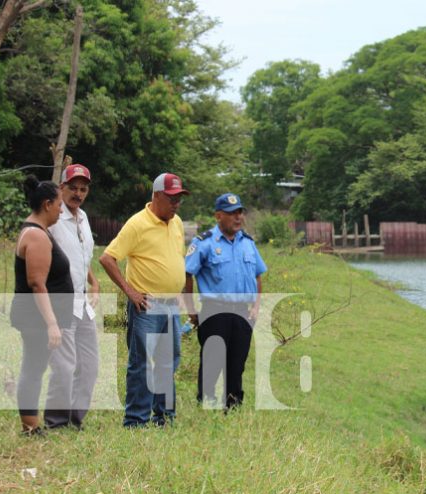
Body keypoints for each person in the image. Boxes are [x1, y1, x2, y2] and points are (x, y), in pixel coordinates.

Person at [99, 172, 188, 427]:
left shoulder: (177, 222)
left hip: (171, 305)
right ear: (156, 196)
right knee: (143, 363)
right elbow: (107, 258)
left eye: (179, 198)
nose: (176, 204)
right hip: (146, 305)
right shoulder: (138, 224)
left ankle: (164, 417)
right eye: (172, 199)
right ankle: (136, 420)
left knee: (168, 361)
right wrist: (130, 291)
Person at [184, 193, 267, 410]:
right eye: (232, 214)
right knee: (212, 362)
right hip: (215, 311)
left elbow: (258, 275)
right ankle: (207, 405)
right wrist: (191, 310)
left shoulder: (248, 243)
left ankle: (233, 406)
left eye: (240, 212)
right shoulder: (204, 243)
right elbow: (187, 274)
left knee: (236, 364)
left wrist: (257, 307)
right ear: (219, 215)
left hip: (242, 313)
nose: (238, 217)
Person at [10, 175, 73, 435]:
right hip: (36, 317)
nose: (61, 210)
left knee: (34, 367)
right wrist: (52, 324)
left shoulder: (39, 231)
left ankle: (31, 424)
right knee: (33, 369)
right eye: (59, 205)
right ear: (47, 204)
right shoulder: (36, 236)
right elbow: (37, 284)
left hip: (39, 316)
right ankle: (31, 427)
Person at [44, 164, 99, 429]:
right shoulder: (52, 219)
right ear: (61, 188)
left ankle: (75, 420)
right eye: (73, 188)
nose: (78, 193)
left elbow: (80, 255)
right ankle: (56, 421)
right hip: (60, 301)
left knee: (89, 366)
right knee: (64, 367)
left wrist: (94, 280)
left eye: (83, 189)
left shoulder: (84, 218)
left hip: (83, 302)